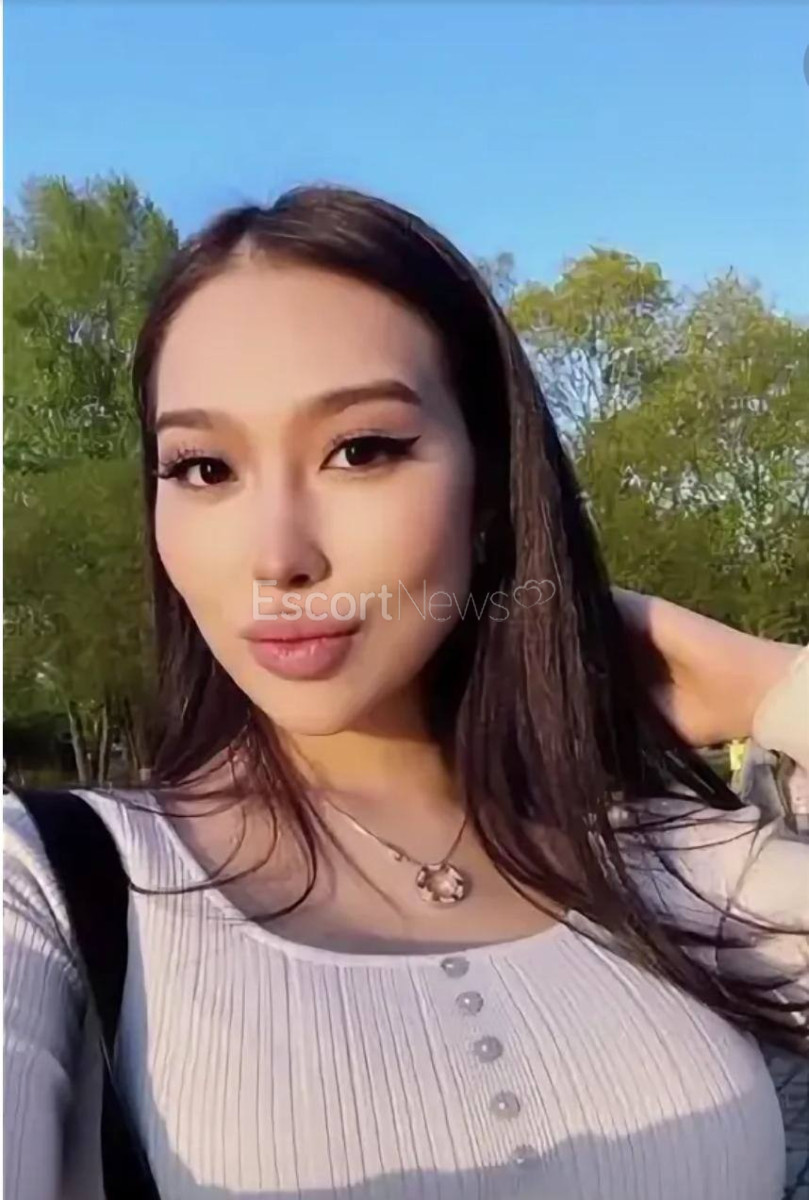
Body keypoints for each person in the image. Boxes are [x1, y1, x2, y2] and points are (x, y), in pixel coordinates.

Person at [4, 184, 808, 1200]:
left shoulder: (673, 867)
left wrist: (768, 683)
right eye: (204, 468)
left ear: (489, 492)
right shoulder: (50, 888)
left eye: (361, 450)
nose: (276, 557)